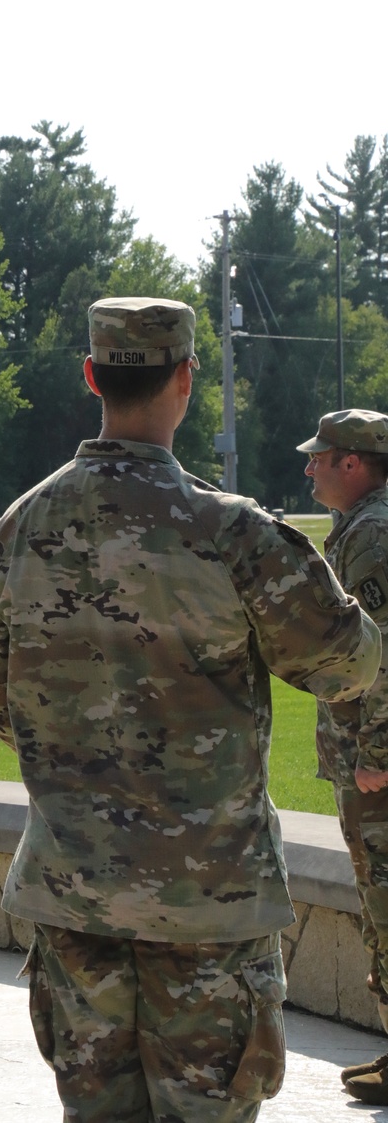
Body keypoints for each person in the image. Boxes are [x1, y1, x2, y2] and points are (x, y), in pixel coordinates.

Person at [0, 297, 382, 1123]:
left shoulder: (17, 530)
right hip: (208, 905)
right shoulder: (231, 531)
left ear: (92, 375)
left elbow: (3, 708)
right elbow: (353, 665)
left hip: (73, 894)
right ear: (188, 379)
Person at [296, 408, 388, 1104]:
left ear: (352, 463)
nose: (309, 468)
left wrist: (378, 752)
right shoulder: (365, 527)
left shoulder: (374, 537)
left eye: (319, 458)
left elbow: (385, 655)